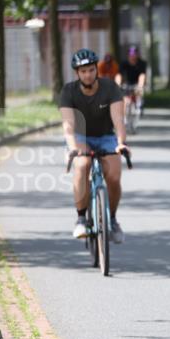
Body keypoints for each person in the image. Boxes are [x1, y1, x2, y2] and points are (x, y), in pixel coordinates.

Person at [59, 49, 130, 243]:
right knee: (83, 165)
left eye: (91, 70)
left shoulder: (110, 88)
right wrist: (73, 148)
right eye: (83, 71)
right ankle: (81, 218)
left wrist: (121, 143)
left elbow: (118, 120)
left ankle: (112, 219)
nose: (88, 75)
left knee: (114, 176)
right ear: (77, 73)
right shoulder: (68, 91)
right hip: (80, 136)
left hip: (106, 136)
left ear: (96, 69)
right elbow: (68, 125)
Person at [116, 45, 148, 118]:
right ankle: (124, 118)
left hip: (137, 83)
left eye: (134, 54)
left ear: (137, 55)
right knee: (125, 99)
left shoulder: (142, 63)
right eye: (131, 55)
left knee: (139, 91)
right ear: (128, 55)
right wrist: (117, 84)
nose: (132, 57)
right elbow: (119, 75)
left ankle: (139, 104)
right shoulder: (124, 63)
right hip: (127, 83)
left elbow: (142, 75)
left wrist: (140, 86)